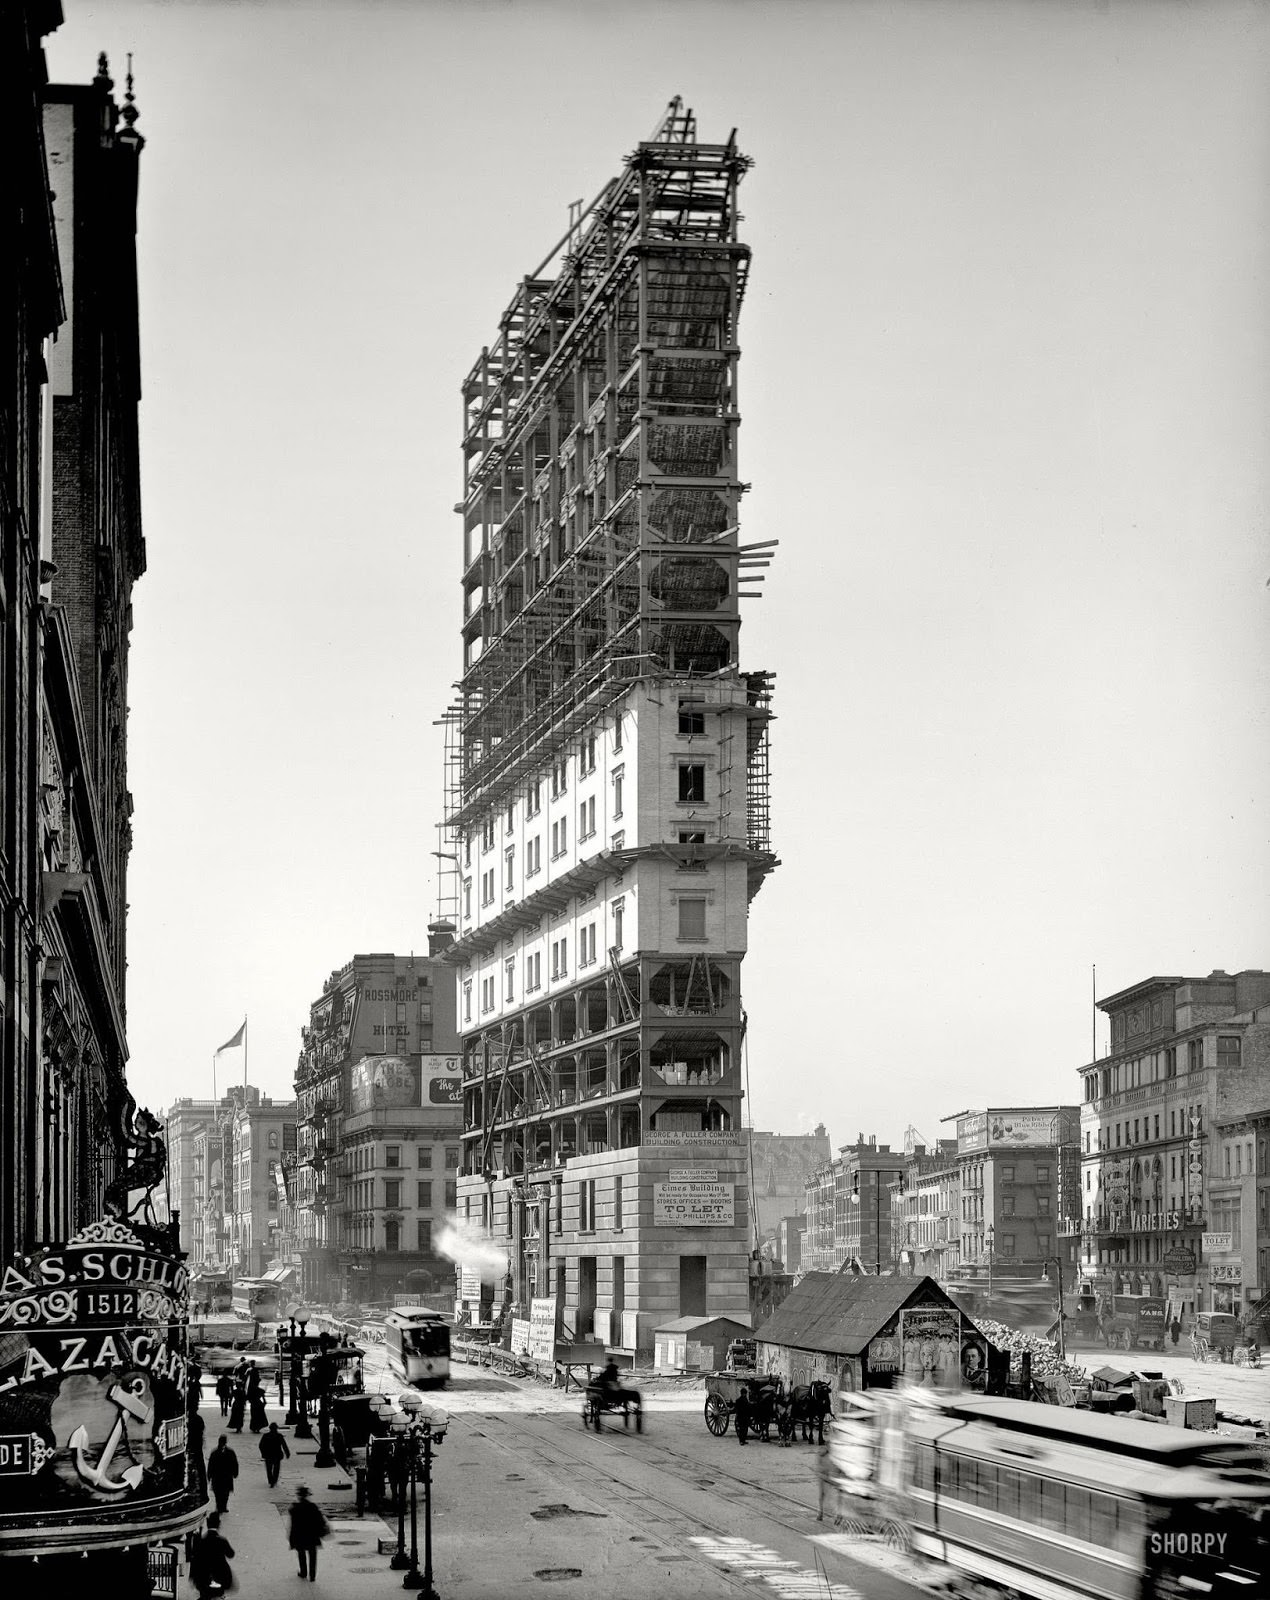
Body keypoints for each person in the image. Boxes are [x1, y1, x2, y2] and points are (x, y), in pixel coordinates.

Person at [287, 1484, 329, 1582]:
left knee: (301, 1553)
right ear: (307, 1495)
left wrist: (291, 1537)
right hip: (312, 1535)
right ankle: (312, 1575)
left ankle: (303, 1572)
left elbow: (292, 1522)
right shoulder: (312, 1507)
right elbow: (320, 1520)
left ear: (299, 1496)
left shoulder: (295, 1508)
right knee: (312, 1555)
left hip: (299, 1535)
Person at [189, 1513, 235, 1599]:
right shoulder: (222, 1541)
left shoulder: (201, 1541)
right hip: (220, 1576)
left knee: (204, 1594)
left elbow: (194, 1559)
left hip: (203, 1576)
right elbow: (231, 1554)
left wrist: (192, 1577)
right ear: (218, 1525)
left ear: (207, 1523)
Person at [207, 1435, 239, 1516]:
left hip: (226, 1476)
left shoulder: (230, 1452)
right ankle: (219, 1506)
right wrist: (209, 1475)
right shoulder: (214, 1452)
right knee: (217, 1492)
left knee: (226, 1492)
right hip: (217, 1476)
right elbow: (210, 1465)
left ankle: (223, 1506)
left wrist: (235, 1473)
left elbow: (235, 1463)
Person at [259, 1421, 291, 1487]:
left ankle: (271, 1481)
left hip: (268, 1455)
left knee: (269, 1469)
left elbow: (261, 1445)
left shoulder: (266, 1436)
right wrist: (287, 1453)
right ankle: (274, 1481)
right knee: (276, 1469)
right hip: (277, 1455)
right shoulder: (279, 1436)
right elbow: (284, 1445)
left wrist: (263, 1453)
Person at [247, 1365, 269, 1432]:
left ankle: (254, 1427)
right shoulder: (259, 1390)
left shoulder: (251, 1389)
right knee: (259, 1416)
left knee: (254, 1416)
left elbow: (248, 1397)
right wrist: (264, 1402)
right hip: (258, 1403)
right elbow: (264, 1399)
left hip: (254, 1403)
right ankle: (258, 1427)